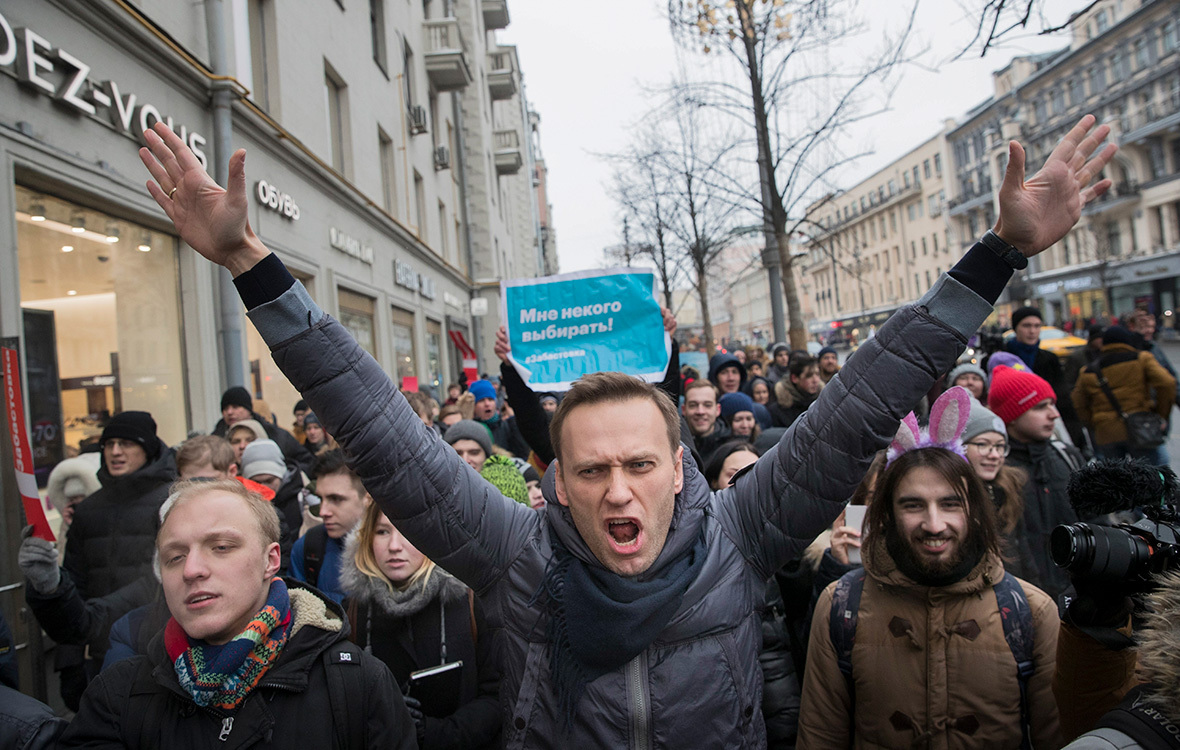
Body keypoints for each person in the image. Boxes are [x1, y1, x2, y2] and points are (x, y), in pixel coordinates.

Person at [138, 113, 1115, 746]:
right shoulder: (517, 555)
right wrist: (254, 266)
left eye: (639, 463)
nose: (616, 488)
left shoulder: (742, 535)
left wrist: (998, 255)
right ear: (553, 481)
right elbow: (381, 430)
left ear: (676, 470)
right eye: (591, 466)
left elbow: (864, 396)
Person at [58, 479, 415, 749]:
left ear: (270, 560)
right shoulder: (118, 695)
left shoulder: (356, 685)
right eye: (174, 557)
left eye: (221, 547)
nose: (192, 570)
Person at [798, 396, 1062, 748]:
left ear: (976, 511)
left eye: (950, 503)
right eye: (913, 505)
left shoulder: (1032, 612)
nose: (934, 524)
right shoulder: (840, 607)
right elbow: (819, 737)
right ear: (887, 513)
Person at [24, 411, 177, 708]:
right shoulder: (88, 510)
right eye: (109, 444)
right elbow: (75, 582)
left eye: (126, 443)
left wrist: (91, 616)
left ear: (146, 448)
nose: (115, 452)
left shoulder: (169, 503)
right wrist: (70, 659)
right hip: (96, 653)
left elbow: (158, 580)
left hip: (155, 646)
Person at [341, 502, 501, 749]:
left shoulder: (468, 602)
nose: (395, 546)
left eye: (407, 531)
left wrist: (433, 732)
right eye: (383, 532)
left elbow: (496, 696)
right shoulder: (352, 611)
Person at [990, 364, 1084, 602]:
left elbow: (1094, 520)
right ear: (1012, 416)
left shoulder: (1068, 457)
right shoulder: (996, 472)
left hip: (1079, 596)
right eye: (1040, 407)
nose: (1054, 414)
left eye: (1052, 404)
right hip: (1026, 599)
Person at [1072, 324, 1176, 465]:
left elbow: (1078, 402)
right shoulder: (1141, 359)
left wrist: (1095, 423)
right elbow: (1167, 383)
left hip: (1107, 433)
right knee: (1153, 475)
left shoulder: (1088, 371)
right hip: (1141, 428)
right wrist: (1160, 415)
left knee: (1116, 481)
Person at [960, 398, 1036, 581]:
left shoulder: (1010, 488)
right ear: (960, 447)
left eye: (1000, 446)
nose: (994, 455)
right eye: (982, 444)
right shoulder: (954, 498)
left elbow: (1023, 551)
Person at [290, 450, 371, 604]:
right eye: (321, 498)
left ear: (367, 498)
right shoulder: (308, 547)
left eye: (336, 499)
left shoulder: (395, 549)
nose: (323, 511)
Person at [1000, 306, 1087, 447]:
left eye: (1037, 326)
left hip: (1045, 428)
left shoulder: (1049, 359)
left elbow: (1063, 399)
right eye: (1026, 326)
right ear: (1015, 328)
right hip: (1012, 433)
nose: (1032, 331)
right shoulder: (1002, 358)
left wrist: (1078, 440)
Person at [213, 385, 314, 473]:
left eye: (235, 407)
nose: (229, 412)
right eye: (225, 409)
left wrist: (284, 474)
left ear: (248, 409)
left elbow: (308, 462)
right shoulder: (215, 441)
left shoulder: (276, 435)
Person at [45, 456, 102, 559]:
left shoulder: (108, 524)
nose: (77, 503)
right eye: (72, 499)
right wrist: (72, 529)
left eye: (82, 498)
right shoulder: (67, 524)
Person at [468, 378, 531, 458]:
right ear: (474, 406)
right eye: (481, 400)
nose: (487, 404)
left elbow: (523, 453)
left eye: (490, 399)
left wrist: (513, 421)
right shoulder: (470, 430)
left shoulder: (507, 426)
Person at [682, 378, 731, 466]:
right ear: (684, 410)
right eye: (693, 405)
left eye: (707, 405)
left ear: (717, 410)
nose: (700, 411)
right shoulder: (674, 445)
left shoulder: (730, 449)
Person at [768, 357, 822, 429]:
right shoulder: (779, 409)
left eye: (817, 374)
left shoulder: (823, 403)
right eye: (809, 376)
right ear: (794, 378)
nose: (815, 380)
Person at [1125, 307, 1177, 377]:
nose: (1149, 331)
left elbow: (1169, 371)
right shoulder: (1130, 347)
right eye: (1144, 327)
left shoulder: (1153, 346)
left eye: (1151, 327)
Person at [1064, 325, 1104, 395]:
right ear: (1092, 339)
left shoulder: (1106, 353)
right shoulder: (1077, 357)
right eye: (1099, 338)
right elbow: (1069, 381)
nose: (1102, 340)